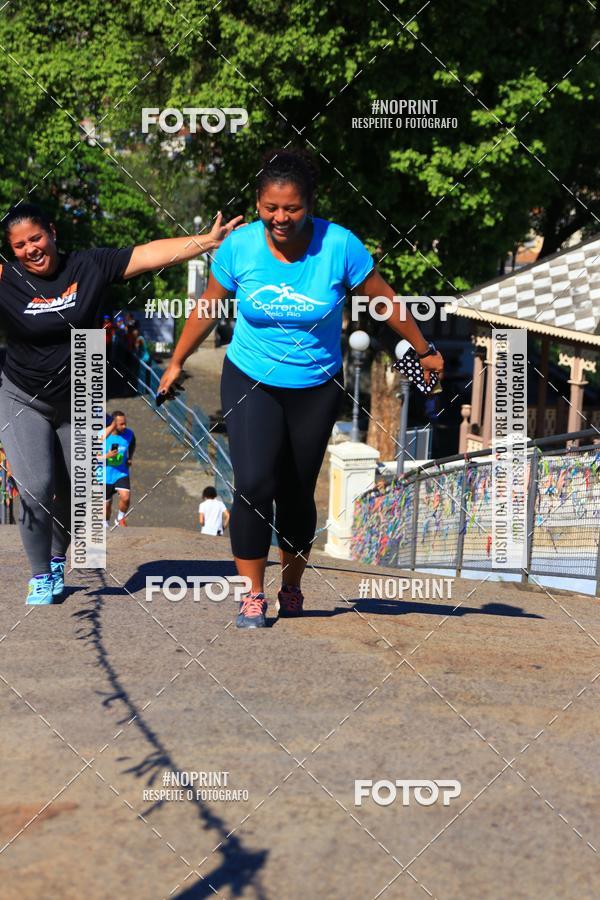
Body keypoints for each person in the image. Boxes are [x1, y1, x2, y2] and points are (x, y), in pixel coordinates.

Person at [158, 148, 445, 629]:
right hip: (251, 378)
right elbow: (209, 307)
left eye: (291, 208)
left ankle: (291, 585)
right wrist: (177, 359)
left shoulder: (340, 246)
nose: (280, 217)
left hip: (316, 386)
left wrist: (425, 347)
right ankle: (252, 594)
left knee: (294, 491)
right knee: (253, 485)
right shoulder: (240, 247)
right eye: (271, 208)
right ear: (257, 204)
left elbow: (384, 299)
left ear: (309, 204)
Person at [0, 202, 242, 604]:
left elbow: (149, 254)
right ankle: (40, 574)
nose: (31, 249)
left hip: (83, 387)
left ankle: (59, 556)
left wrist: (207, 241)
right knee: (36, 487)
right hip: (22, 393)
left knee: (76, 490)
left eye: (37, 238)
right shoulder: (6, 279)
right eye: (20, 245)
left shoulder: (89, 265)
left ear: (53, 233)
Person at [102, 411, 136, 528]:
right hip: (105, 474)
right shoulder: (103, 435)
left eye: (125, 423)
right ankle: (105, 523)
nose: (124, 426)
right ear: (113, 424)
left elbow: (132, 444)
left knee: (126, 497)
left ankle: (120, 517)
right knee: (106, 506)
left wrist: (129, 457)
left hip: (121, 473)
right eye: (121, 424)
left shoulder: (129, 434)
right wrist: (107, 456)